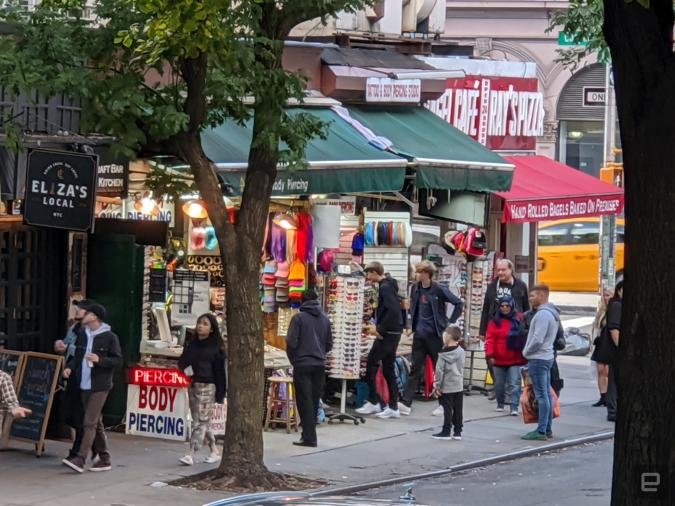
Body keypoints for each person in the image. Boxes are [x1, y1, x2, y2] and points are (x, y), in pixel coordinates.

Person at [62, 301, 122, 473]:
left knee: (89, 422)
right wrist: (69, 367)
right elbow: (79, 355)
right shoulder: (83, 334)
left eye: (85, 312)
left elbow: (118, 361)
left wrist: (100, 360)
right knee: (96, 421)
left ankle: (81, 458)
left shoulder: (110, 337)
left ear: (94, 316)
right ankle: (104, 457)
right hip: (84, 382)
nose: (81, 314)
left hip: (100, 385)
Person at [399, 260, 463, 415]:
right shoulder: (415, 288)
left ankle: (444, 404)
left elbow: (458, 303)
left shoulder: (439, 289)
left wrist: (448, 323)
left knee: (439, 369)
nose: (417, 274)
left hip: (435, 335)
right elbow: (414, 309)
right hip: (419, 335)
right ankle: (406, 403)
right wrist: (410, 326)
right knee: (415, 369)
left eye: (420, 271)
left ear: (427, 273)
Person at [285, 289, 332, 448]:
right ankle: (309, 435)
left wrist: (294, 359)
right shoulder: (325, 319)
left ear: (302, 301)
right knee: (313, 399)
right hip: (319, 364)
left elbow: (291, 342)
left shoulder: (298, 318)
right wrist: (319, 354)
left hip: (302, 363)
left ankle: (309, 437)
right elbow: (329, 344)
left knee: (304, 401)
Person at [356, 261, 404, 419]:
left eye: (369, 273)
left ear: (376, 273)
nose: (368, 277)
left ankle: (374, 401)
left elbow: (392, 310)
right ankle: (393, 407)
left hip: (387, 334)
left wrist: (379, 329)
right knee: (388, 369)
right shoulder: (388, 286)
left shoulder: (384, 288)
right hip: (392, 333)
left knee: (371, 365)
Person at [178, 313, 227, 465]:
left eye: (205, 324)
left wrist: (220, 393)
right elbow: (183, 361)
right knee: (200, 421)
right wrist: (188, 371)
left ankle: (191, 453)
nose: (200, 326)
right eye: (199, 323)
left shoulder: (217, 348)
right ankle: (214, 450)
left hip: (209, 386)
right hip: (193, 385)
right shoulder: (192, 344)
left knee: (200, 422)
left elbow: (220, 372)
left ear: (212, 329)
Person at [479, 259, 529, 400]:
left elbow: (526, 309)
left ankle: (510, 392)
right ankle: (498, 386)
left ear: (510, 270)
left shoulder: (520, 286)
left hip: (514, 330)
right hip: (495, 327)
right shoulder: (492, 286)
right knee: (490, 358)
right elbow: (486, 308)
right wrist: (482, 330)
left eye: (503, 270)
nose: (500, 272)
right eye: (498, 270)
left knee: (512, 361)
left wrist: (526, 328)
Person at [521, 285, 558, 441]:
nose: (530, 299)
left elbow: (537, 338)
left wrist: (526, 352)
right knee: (546, 394)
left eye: (533, 296)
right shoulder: (552, 314)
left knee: (541, 394)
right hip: (546, 357)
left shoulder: (543, 315)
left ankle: (541, 430)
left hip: (539, 358)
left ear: (542, 296)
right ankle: (546, 428)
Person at [54, 299, 89, 460]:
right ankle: (98, 450)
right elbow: (66, 345)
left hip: (84, 376)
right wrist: (59, 345)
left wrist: (68, 349)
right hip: (71, 374)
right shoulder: (74, 327)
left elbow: (84, 352)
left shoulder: (90, 332)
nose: (76, 310)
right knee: (71, 414)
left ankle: (79, 452)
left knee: (82, 416)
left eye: (79, 309)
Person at [485, 295, 527, 416]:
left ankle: (514, 406)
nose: (504, 308)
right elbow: (490, 339)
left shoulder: (519, 318)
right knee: (499, 383)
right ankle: (500, 404)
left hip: (515, 357)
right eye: (502, 306)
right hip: (498, 358)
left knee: (514, 383)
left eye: (507, 305)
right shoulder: (494, 321)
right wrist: (490, 355)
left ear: (512, 305)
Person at [431, 326, 465, 440]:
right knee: (458, 409)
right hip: (458, 384)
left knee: (447, 409)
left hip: (447, 385)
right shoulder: (461, 351)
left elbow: (440, 371)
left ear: (448, 336)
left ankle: (446, 431)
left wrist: (437, 385)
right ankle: (458, 432)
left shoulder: (443, 354)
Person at [590, 288, 613, 407]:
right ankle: (602, 396)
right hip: (601, 342)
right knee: (600, 371)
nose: (606, 298)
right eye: (604, 295)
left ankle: (609, 396)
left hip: (610, 343)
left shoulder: (616, 309)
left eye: (608, 295)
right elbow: (596, 327)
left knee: (608, 371)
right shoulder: (602, 311)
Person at [605, 281, 623, 422]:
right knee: (614, 379)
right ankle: (613, 410)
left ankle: (614, 409)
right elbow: (614, 329)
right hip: (617, 351)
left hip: (618, 350)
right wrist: (620, 348)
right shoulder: (617, 305)